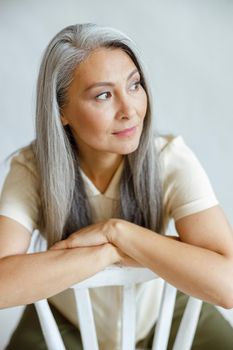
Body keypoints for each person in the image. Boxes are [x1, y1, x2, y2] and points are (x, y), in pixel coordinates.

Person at [0, 23, 233, 350]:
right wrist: (110, 253)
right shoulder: (32, 168)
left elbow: (228, 284)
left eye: (134, 85)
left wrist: (117, 232)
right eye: (104, 95)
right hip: (67, 320)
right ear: (61, 110)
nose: (130, 110)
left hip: (165, 312)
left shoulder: (169, 158)